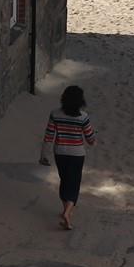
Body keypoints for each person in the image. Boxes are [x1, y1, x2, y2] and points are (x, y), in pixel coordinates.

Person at [40, 85, 97, 230]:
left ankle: (66, 212)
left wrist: (44, 155)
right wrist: (93, 141)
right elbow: (90, 137)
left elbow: (49, 136)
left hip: (60, 152)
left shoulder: (55, 114)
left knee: (64, 180)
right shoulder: (83, 117)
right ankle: (68, 211)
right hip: (77, 154)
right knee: (74, 182)